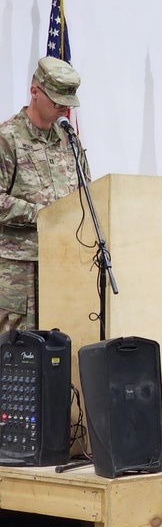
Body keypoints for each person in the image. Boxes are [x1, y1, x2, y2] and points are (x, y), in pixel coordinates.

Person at [0, 57, 88, 334]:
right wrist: (43, 214)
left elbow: (87, 195)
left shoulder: (69, 141)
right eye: (57, 101)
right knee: (16, 354)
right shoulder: (8, 138)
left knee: (57, 347)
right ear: (35, 91)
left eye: (66, 104)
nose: (62, 109)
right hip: (18, 271)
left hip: (62, 263)